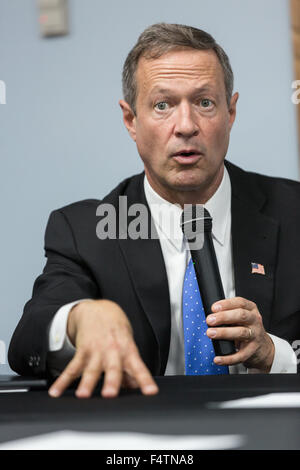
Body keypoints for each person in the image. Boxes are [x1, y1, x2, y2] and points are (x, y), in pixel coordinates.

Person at [8, 23, 299, 399]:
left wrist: (275, 355)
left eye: (205, 103)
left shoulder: (293, 214)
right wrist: (79, 318)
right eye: (163, 105)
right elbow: (27, 339)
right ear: (131, 120)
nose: (186, 126)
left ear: (231, 111)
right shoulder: (86, 230)